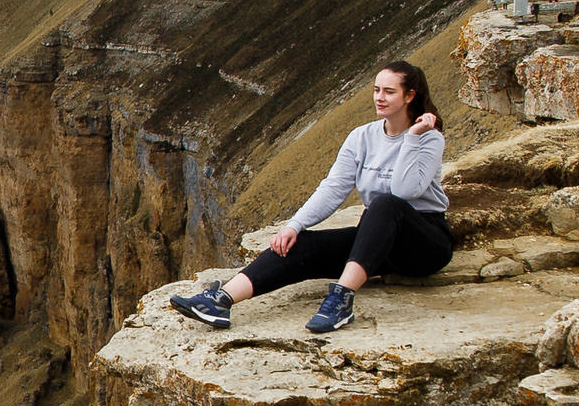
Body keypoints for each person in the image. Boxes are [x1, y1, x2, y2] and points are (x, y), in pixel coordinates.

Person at [172, 60, 450, 335]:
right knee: (300, 245)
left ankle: (341, 300)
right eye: (376, 90)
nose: (379, 97)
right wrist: (295, 226)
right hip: (376, 242)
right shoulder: (362, 137)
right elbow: (334, 188)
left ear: (409, 96)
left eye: (389, 91)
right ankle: (220, 300)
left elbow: (404, 192)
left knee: (386, 203)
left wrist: (412, 137)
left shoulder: (429, 138)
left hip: (424, 244)